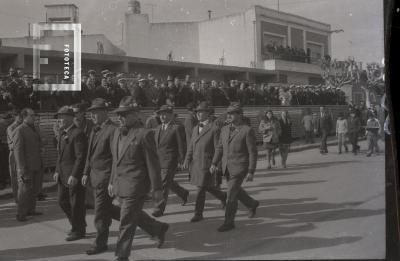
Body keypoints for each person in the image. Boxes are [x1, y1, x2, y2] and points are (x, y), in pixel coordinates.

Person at [108, 96, 169, 261]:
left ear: (135, 114)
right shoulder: (116, 134)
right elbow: (116, 161)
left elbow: (153, 165)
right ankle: (158, 228)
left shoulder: (144, 134)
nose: (119, 117)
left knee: (126, 220)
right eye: (119, 114)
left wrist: (157, 191)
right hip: (121, 185)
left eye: (124, 114)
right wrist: (112, 181)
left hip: (136, 186)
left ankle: (122, 256)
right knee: (131, 215)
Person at [210, 102, 259, 232]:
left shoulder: (247, 130)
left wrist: (251, 171)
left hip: (240, 167)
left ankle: (229, 222)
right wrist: (214, 163)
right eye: (228, 113)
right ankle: (252, 203)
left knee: (231, 193)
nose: (229, 115)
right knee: (236, 190)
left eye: (232, 113)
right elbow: (220, 148)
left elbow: (252, 152)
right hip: (227, 167)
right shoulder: (225, 129)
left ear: (240, 114)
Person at [183, 102, 227, 222]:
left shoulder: (214, 128)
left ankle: (198, 213)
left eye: (201, 111)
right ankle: (223, 196)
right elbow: (191, 145)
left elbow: (218, 147)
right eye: (197, 112)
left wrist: (216, 163)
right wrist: (187, 159)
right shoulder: (195, 128)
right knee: (207, 187)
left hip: (207, 163)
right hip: (196, 163)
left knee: (201, 188)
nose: (198, 114)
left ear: (208, 113)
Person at [53, 106, 88, 241]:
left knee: (76, 204)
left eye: (61, 117)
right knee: (62, 201)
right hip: (63, 175)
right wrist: (56, 170)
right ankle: (77, 225)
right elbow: (60, 156)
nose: (59, 120)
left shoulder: (78, 133)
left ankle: (78, 230)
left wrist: (74, 175)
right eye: (58, 118)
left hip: (73, 176)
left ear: (69, 118)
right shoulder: (63, 133)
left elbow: (81, 157)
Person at [152, 105, 189, 217]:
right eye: (160, 114)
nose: (162, 116)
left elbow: (181, 146)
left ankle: (159, 208)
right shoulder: (158, 128)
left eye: (165, 114)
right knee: (169, 182)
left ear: (171, 115)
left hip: (170, 161)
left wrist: (182, 161)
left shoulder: (176, 128)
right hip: (159, 161)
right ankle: (183, 193)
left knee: (163, 184)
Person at [13, 108, 43, 222]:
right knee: (24, 191)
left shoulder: (34, 128)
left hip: (36, 164)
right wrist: (21, 168)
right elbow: (18, 151)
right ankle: (21, 214)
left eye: (34, 115)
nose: (34, 117)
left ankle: (31, 210)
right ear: (25, 116)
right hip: (26, 166)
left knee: (33, 190)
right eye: (32, 115)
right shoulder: (19, 130)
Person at [7, 111, 22, 203]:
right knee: (15, 175)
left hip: (22, 152)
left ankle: (23, 197)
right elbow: (15, 140)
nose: (21, 118)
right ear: (15, 117)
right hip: (14, 153)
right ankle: (17, 198)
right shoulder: (11, 127)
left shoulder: (23, 127)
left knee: (22, 176)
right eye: (19, 116)